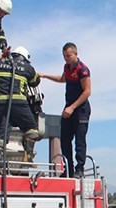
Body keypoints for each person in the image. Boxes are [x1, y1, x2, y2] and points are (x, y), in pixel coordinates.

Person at [0, 46, 41, 163]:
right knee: (32, 130)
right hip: (19, 104)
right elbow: (35, 82)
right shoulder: (28, 68)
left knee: (0, 137)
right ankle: (28, 156)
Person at [38, 42, 92, 178]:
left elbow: (87, 92)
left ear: (75, 54)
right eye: (64, 56)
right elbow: (63, 79)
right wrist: (45, 76)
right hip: (68, 108)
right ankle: (69, 169)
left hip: (80, 109)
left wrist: (72, 107)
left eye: (68, 56)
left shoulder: (82, 69)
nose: (66, 58)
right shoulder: (67, 67)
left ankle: (80, 169)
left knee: (80, 140)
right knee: (65, 138)